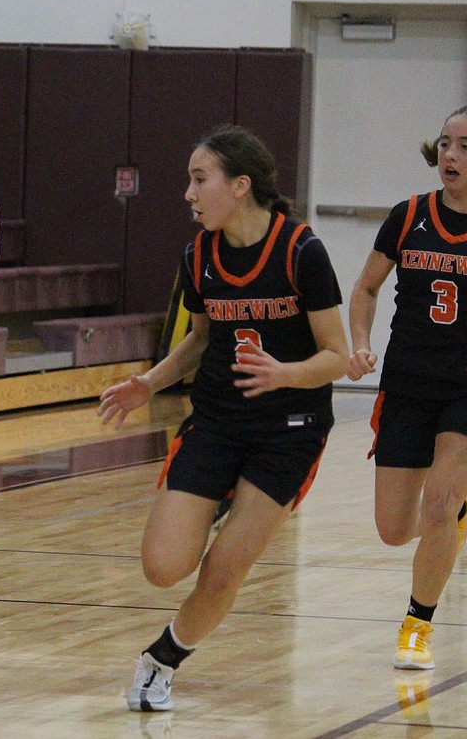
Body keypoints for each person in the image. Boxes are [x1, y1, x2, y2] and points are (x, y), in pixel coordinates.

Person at [97, 124, 348, 711]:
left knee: (222, 571)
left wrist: (284, 374)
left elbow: (336, 355)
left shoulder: (301, 251)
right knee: (163, 568)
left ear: (240, 186)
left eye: (198, 178)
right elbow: (202, 339)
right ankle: (220, 496)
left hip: (289, 430)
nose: (188, 192)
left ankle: (162, 660)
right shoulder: (199, 254)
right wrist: (148, 382)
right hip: (215, 422)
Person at [347, 104, 467, 672]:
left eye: (465, 146)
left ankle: (417, 624)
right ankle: (458, 511)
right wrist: (359, 341)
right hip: (407, 384)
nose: (451, 156)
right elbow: (365, 288)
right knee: (393, 529)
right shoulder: (407, 215)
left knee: (437, 506)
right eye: (444, 144)